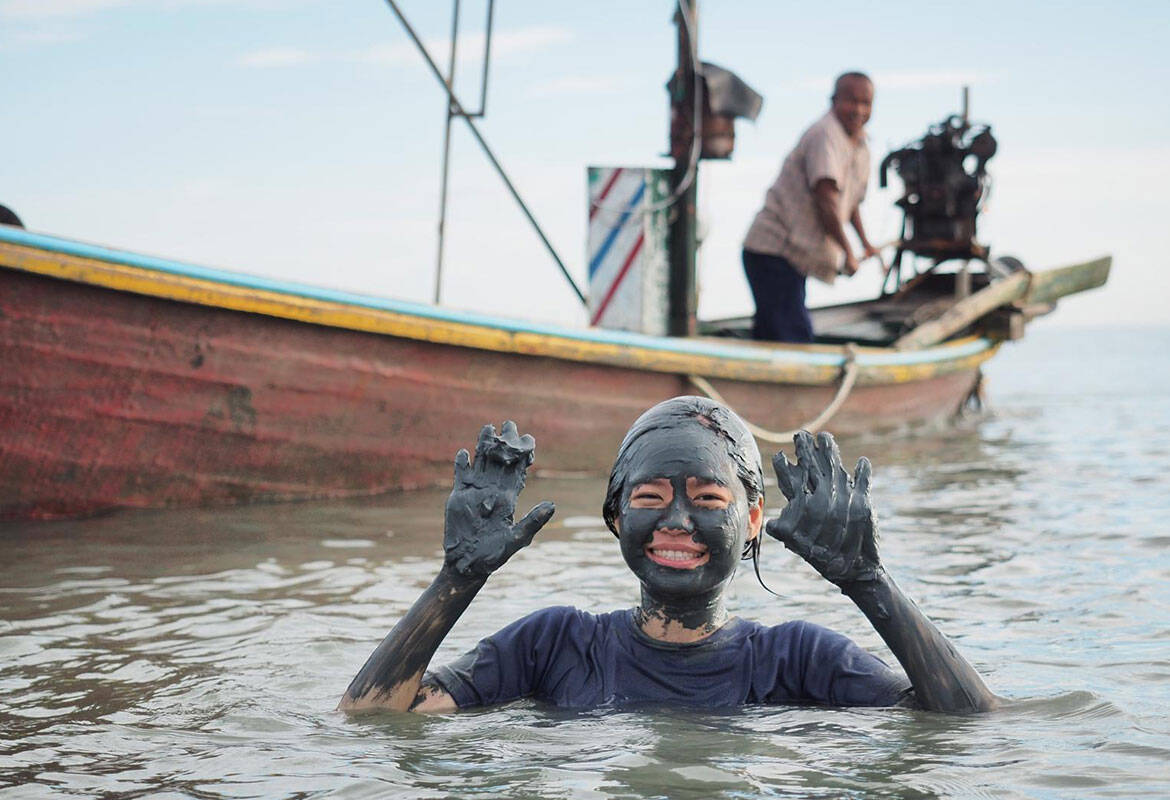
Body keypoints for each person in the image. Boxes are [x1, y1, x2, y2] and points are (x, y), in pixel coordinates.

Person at [339, 396, 1000, 714]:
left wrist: (870, 582)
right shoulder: (554, 646)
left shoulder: (799, 660)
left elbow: (966, 725)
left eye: (709, 498)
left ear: (752, 521)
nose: (677, 522)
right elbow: (372, 719)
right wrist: (455, 580)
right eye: (651, 496)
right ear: (617, 515)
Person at [742, 72, 880, 342]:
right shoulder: (825, 135)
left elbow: (848, 203)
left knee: (774, 334)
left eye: (866, 103)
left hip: (794, 258)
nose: (859, 110)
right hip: (773, 251)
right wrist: (848, 252)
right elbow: (826, 201)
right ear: (833, 100)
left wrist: (865, 243)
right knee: (794, 337)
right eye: (852, 101)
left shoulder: (860, 143)